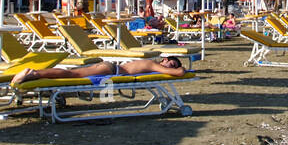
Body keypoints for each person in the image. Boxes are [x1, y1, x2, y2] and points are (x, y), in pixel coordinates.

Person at [10, 55, 187, 87]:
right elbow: (178, 73)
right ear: (164, 60)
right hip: (111, 70)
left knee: (72, 73)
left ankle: (35, 74)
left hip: (110, 69)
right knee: (72, 75)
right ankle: (34, 74)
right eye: (170, 63)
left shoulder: (151, 64)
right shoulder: (152, 64)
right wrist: (180, 69)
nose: (168, 67)